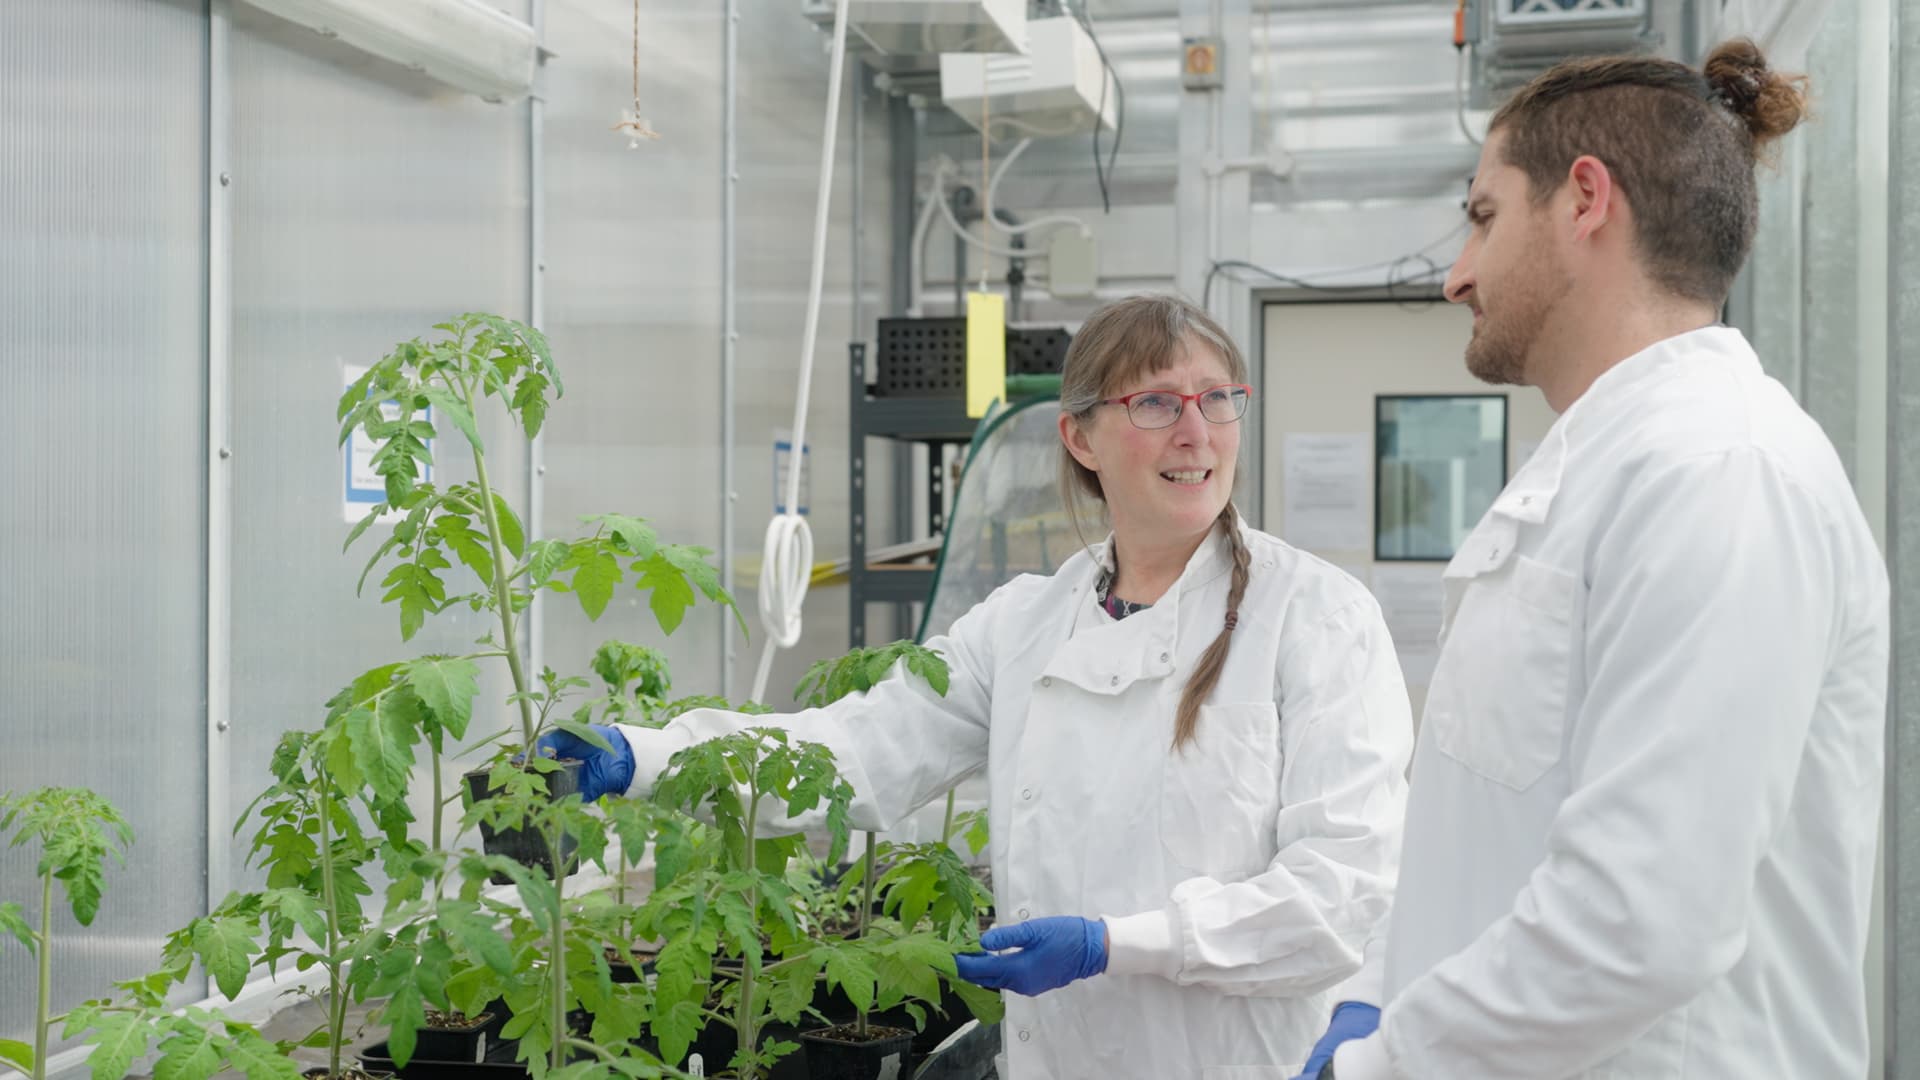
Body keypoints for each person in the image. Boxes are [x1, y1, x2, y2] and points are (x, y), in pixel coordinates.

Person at [546, 294, 1416, 1077]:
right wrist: (648, 754)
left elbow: (1340, 892)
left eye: (1217, 398)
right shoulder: (1025, 624)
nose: (1196, 432)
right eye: (1154, 402)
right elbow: (856, 750)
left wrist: (1113, 945)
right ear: (1081, 437)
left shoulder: (1316, 617)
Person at [1294, 39, 1889, 1080]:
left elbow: (1642, 921)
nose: (1455, 275)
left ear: (1584, 201)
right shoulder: (1598, 469)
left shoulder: (1719, 471)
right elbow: (1479, 831)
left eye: (1482, 218)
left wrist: (1383, 1063)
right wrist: (1377, 993)